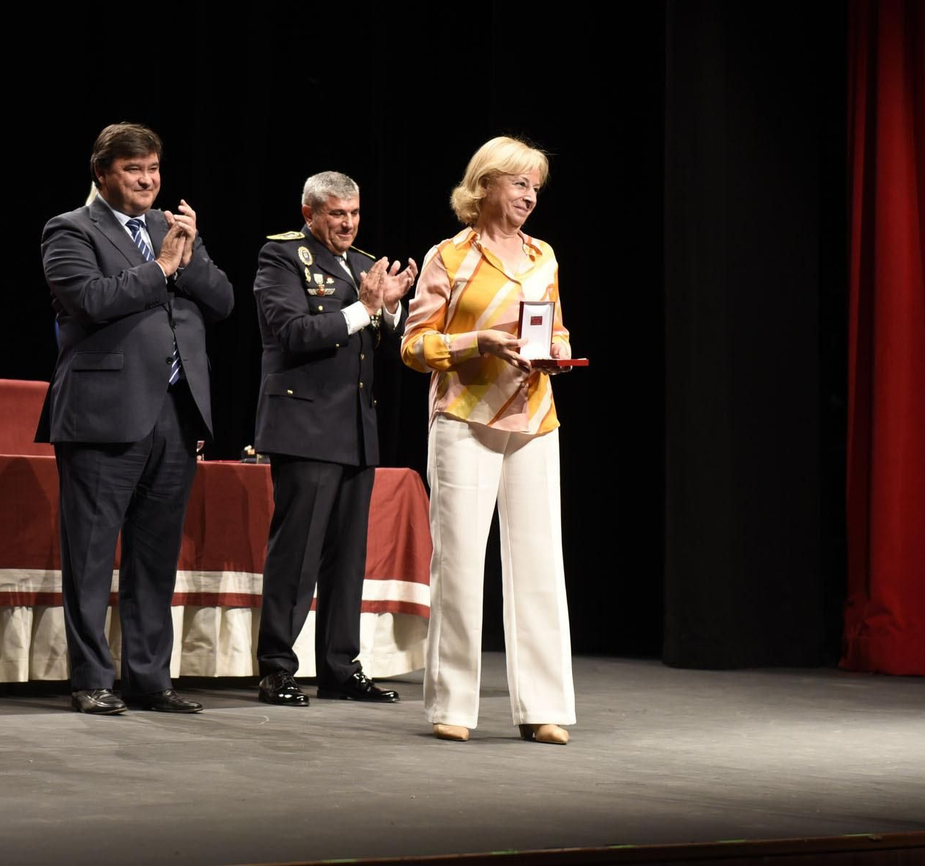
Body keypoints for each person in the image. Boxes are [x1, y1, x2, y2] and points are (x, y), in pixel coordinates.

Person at [38, 123, 234, 716]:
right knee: (92, 554)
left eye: (153, 169)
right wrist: (163, 269)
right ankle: (91, 678)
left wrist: (187, 253)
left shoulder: (169, 230)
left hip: (175, 412)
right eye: (133, 170)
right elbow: (90, 301)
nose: (148, 180)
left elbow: (222, 301)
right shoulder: (69, 229)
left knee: (155, 557)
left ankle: (150, 679)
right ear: (102, 174)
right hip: (104, 416)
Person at [399, 136, 575, 745]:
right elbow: (415, 345)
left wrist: (556, 349)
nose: (529, 196)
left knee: (538, 564)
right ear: (485, 186)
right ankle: (453, 705)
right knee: (459, 563)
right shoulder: (449, 256)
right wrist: (477, 343)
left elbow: (553, 324)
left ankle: (543, 707)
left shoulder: (543, 255)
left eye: (534, 186)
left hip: (533, 419)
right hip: (465, 418)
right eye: (519, 183)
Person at [252, 172, 416, 707]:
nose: (347, 224)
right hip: (305, 426)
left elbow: (387, 349)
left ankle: (341, 668)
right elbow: (292, 332)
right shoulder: (282, 258)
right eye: (336, 214)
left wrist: (391, 309)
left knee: (348, 558)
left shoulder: (366, 264)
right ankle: (277, 668)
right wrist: (365, 309)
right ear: (310, 213)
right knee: (296, 555)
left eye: (354, 214)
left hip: (354, 429)